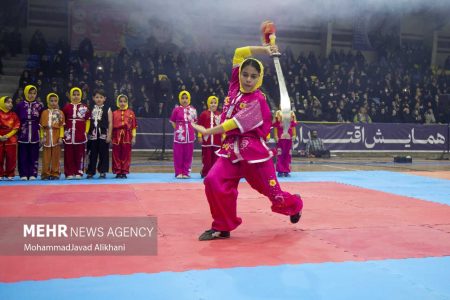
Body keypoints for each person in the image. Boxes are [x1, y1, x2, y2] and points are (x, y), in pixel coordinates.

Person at [191, 44, 303, 241]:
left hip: (254, 154)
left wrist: (208, 131)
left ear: (259, 78)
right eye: (245, 74)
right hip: (231, 151)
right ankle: (223, 226)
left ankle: (295, 205)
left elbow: (232, 124)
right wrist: (265, 50)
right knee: (212, 181)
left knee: (274, 195)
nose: (248, 79)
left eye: (253, 76)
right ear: (239, 74)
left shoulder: (258, 100)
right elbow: (239, 53)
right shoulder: (234, 86)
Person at [16, 85, 44, 180]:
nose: (32, 95)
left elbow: (41, 121)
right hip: (23, 133)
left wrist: (41, 135)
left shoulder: (39, 106)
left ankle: (33, 173)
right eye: (30, 93)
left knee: (34, 155)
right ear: (25, 93)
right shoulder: (20, 105)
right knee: (22, 155)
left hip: (35, 133)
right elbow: (16, 120)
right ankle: (23, 174)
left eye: (34, 93)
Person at [62, 87, 91, 179]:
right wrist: (63, 134)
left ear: (81, 96)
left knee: (80, 154)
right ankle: (69, 172)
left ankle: (79, 172)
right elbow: (63, 122)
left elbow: (88, 121)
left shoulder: (85, 108)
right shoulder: (66, 107)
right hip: (69, 135)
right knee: (68, 154)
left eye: (78, 95)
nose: (76, 97)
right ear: (70, 96)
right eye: (74, 95)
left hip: (80, 134)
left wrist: (85, 132)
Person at [169, 90, 197, 179]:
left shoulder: (193, 110)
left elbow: (195, 122)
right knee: (178, 155)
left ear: (189, 99)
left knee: (188, 155)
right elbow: (173, 122)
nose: (184, 100)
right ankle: (178, 172)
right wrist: (179, 130)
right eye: (182, 98)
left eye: (186, 98)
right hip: (179, 137)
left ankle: (186, 172)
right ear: (180, 99)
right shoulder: (176, 110)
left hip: (190, 136)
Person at [86, 89, 112, 179]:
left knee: (103, 154)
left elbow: (110, 123)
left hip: (103, 135)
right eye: (97, 97)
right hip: (92, 135)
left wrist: (109, 135)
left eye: (101, 97)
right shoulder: (90, 108)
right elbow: (87, 122)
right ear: (93, 98)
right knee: (92, 154)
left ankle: (102, 171)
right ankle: (90, 172)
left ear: (104, 98)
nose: (99, 99)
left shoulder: (107, 109)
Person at [39, 93, 65, 180]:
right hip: (47, 136)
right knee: (46, 157)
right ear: (48, 101)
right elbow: (42, 127)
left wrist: (61, 137)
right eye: (51, 101)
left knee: (56, 156)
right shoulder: (44, 113)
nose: (53, 103)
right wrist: (42, 137)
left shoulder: (60, 113)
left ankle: (55, 173)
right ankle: (45, 174)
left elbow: (61, 126)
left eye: (55, 101)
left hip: (56, 134)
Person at [112, 94, 137, 179]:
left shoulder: (131, 113)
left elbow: (133, 126)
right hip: (116, 135)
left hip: (127, 135)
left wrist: (133, 137)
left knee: (126, 154)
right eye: (121, 101)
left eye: (124, 101)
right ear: (118, 102)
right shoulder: (114, 113)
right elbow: (111, 126)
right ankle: (118, 171)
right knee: (116, 154)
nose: (122, 103)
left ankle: (124, 171)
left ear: (127, 102)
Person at [197, 95, 222, 178]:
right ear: (208, 104)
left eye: (215, 103)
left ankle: (214, 174)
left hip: (217, 141)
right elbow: (200, 126)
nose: (213, 105)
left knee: (216, 159)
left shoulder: (220, 114)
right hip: (207, 141)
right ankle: (205, 173)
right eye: (211, 103)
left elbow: (222, 127)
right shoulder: (204, 114)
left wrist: (223, 136)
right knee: (206, 159)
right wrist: (200, 135)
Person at [0, 96, 20, 180]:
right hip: (0, 139)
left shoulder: (14, 115)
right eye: (7, 102)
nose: (10, 104)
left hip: (11, 139)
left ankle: (10, 174)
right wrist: (0, 137)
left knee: (11, 158)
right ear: (1, 103)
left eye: (11, 102)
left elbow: (16, 127)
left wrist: (7, 136)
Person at [273, 110, 297, 177]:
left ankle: (286, 171)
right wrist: (275, 136)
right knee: (280, 154)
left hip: (289, 138)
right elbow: (275, 126)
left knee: (288, 155)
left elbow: (293, 125)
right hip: (280, 138)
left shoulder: (291, 113)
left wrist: (294, 135)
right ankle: (280, 171)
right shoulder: (278, 113)